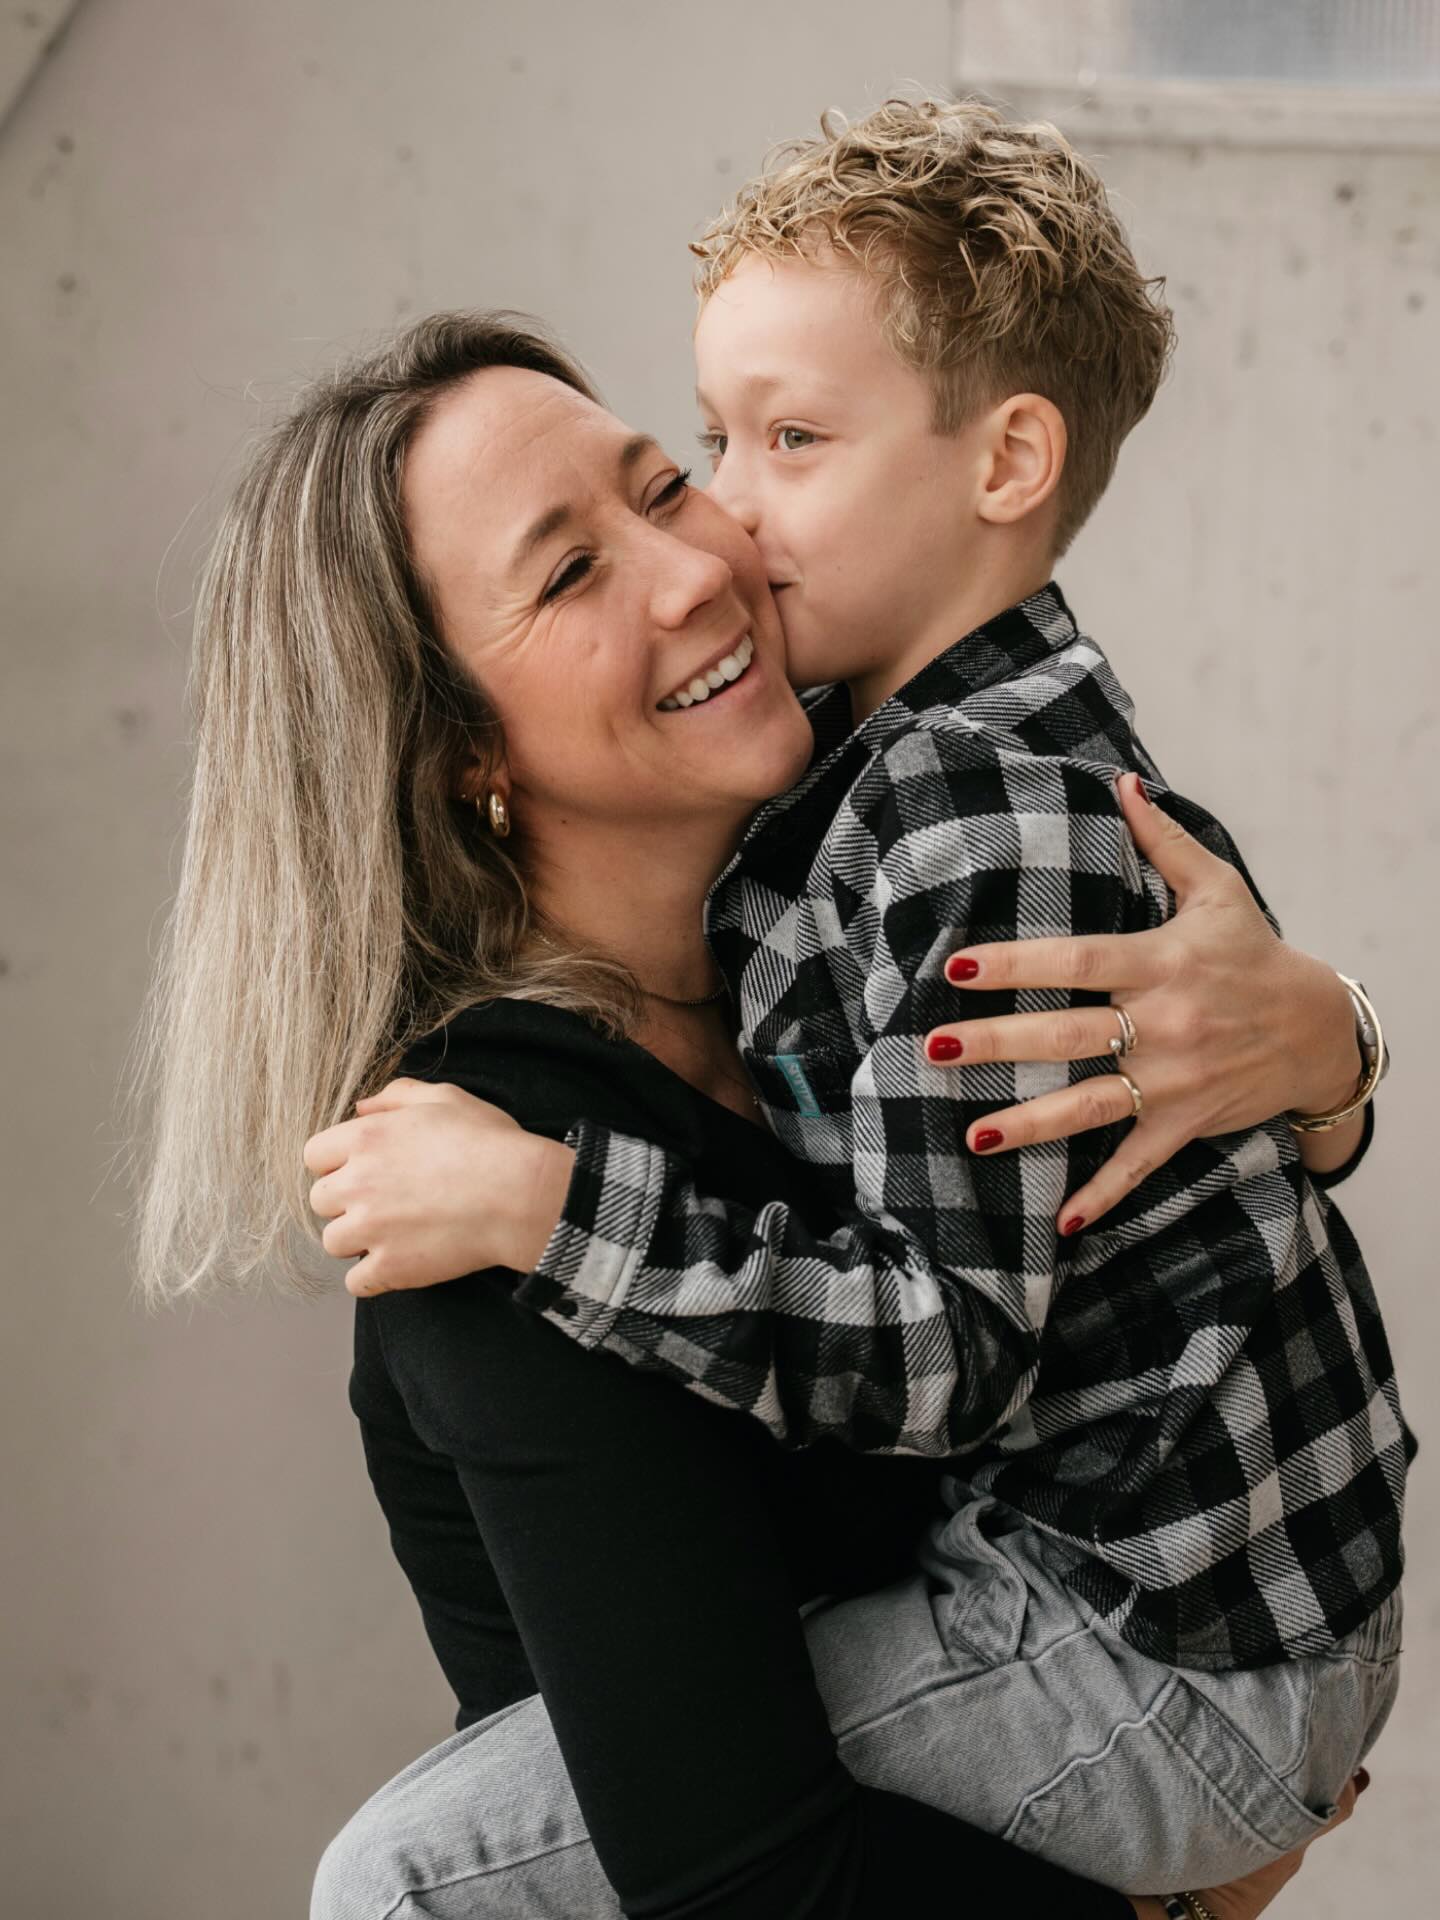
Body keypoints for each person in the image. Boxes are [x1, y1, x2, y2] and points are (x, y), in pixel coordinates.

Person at [305, 101, 1408, 1905]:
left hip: (1170, 1642)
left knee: (402, 1883)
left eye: (770, 447)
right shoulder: (889, 780)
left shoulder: (963, 814)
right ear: (459, 758)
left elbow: (943, 1351)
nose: (720, 526)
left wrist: (548, 1205)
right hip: (1170, 1607)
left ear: (1005, 464)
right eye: (710, 444)